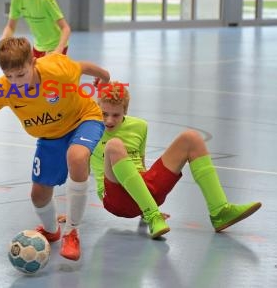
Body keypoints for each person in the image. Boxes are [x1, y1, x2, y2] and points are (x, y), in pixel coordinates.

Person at [0, 37, 110, 261]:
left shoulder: (57, 69)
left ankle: (72, 232)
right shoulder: (3, 88)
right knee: (38, 195)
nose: (16, 82)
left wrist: (104, 77)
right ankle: (51, 230)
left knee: (77, 156)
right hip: (50, 136)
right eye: (9, 76)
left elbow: (83, 66)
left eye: (21, 74)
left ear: (33, 61)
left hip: (83, 118)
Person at [90, 81, 261, 238]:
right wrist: (71, 217)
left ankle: (220, 211)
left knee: (191, 137)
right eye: (104, 114)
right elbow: (78, 170)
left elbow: (140, 165)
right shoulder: (90, 129)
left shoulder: (140, 126)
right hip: (114, 198)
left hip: (144, 191)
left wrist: (143, 204)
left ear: (125, 111)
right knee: (114, 145)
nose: (109, 120)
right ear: (98, 108)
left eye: (115, 115)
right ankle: (153, 216)